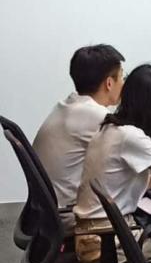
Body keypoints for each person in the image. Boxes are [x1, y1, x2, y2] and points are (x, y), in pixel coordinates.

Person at [72, 64, 151, 263]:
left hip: (94, 235)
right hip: (105, 245)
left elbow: (141, 183)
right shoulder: (131, 137)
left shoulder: (113, 127)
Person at [32, 44, 125, 209]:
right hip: (69, 212)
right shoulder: (97, 116)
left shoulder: (67, 105)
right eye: (122, 77)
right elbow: (134, 156)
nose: (124, 84)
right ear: (109, 83)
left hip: (45, 210)